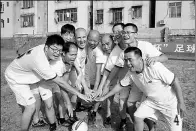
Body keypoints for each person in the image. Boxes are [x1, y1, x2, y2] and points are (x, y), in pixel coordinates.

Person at [4, 34, 89, 131]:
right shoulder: (40, 62)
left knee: (30, 106)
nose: (57, 53)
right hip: (16, 78)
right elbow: (60, 83)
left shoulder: (45, 49)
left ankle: (33, 123)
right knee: (30, 106)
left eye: (59, 51)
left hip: (30, 77)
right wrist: (79, 94)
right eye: (54, 49)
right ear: (46, 47)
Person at [97, 23, 168, 131]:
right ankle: (134, 125)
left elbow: (164, 57)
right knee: (129, 104)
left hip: (150, 83)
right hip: (133, 81)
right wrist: (105, 85)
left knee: (148, 110)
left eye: (127, 32)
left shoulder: (145, 46)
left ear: (135, 34)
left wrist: (156, 59)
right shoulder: (122, 53)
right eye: (123, 32)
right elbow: (114, 69)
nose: (124, 35)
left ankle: (151, 128)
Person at [96, 46, 187, 131]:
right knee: (137, 116)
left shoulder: (154, 67)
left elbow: (175, 81)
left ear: (140, 59)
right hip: (152, 102)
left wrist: (181, 103)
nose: (127, 63)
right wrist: (104, 97)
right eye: (125, 60)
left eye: (130, 60)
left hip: (170, 104)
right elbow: (120, 85)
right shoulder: (131, 73)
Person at [85, 30, 108, 125]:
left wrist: (96, 87)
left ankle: (93, 113)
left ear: (99, 40)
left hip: (102, 74)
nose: (92, 42)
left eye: (95, 41)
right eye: (90, 40)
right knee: (92, 94)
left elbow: (99, 71)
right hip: (92, 74)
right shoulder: (87, 46)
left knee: (98, 92)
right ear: (87, 39)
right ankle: (93, 107)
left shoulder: (99, 51)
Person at [69, 28, 94, 112]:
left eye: (84, 37)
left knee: (81, 89)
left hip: (81, 71)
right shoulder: (74, 51)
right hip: (74, 72)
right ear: (75, 39)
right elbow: (78, 70)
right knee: (75, 91)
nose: (82, 40)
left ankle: (78, 106)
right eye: (79, 37)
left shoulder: (86, 46)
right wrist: (86, 88)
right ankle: (72, 113)